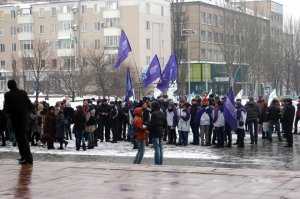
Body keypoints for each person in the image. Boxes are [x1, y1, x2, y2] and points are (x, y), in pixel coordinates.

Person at [3, 80, 33, 164]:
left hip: (15, 120)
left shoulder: (8, 95)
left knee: (20, 140)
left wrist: (6, 115)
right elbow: (30, 105)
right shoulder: (23, 93)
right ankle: (26, 157)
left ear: (9, 86)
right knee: (23, 139)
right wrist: (26, 113)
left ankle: (26, 158)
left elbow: (6, 108)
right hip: (24, 119)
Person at [149, 101, 167, 165]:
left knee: (156, 148)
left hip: (155, 132)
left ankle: (157, 162)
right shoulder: (162, 113)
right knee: (160, 148)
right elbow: (165, 123)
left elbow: (152, 124)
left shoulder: (153, 114)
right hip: (161, 131)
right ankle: (160, 162)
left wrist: (148, 127)